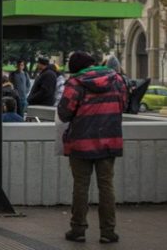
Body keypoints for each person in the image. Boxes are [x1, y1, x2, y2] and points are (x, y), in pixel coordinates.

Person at [57, 51, 126, 244]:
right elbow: (124, 104)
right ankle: (108, 231)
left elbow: (64, 113)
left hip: (81, 142)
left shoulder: (75, 83)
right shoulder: (116, 80)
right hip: (109, 140)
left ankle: (78, 229)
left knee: (81, 186)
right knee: (106, 185)